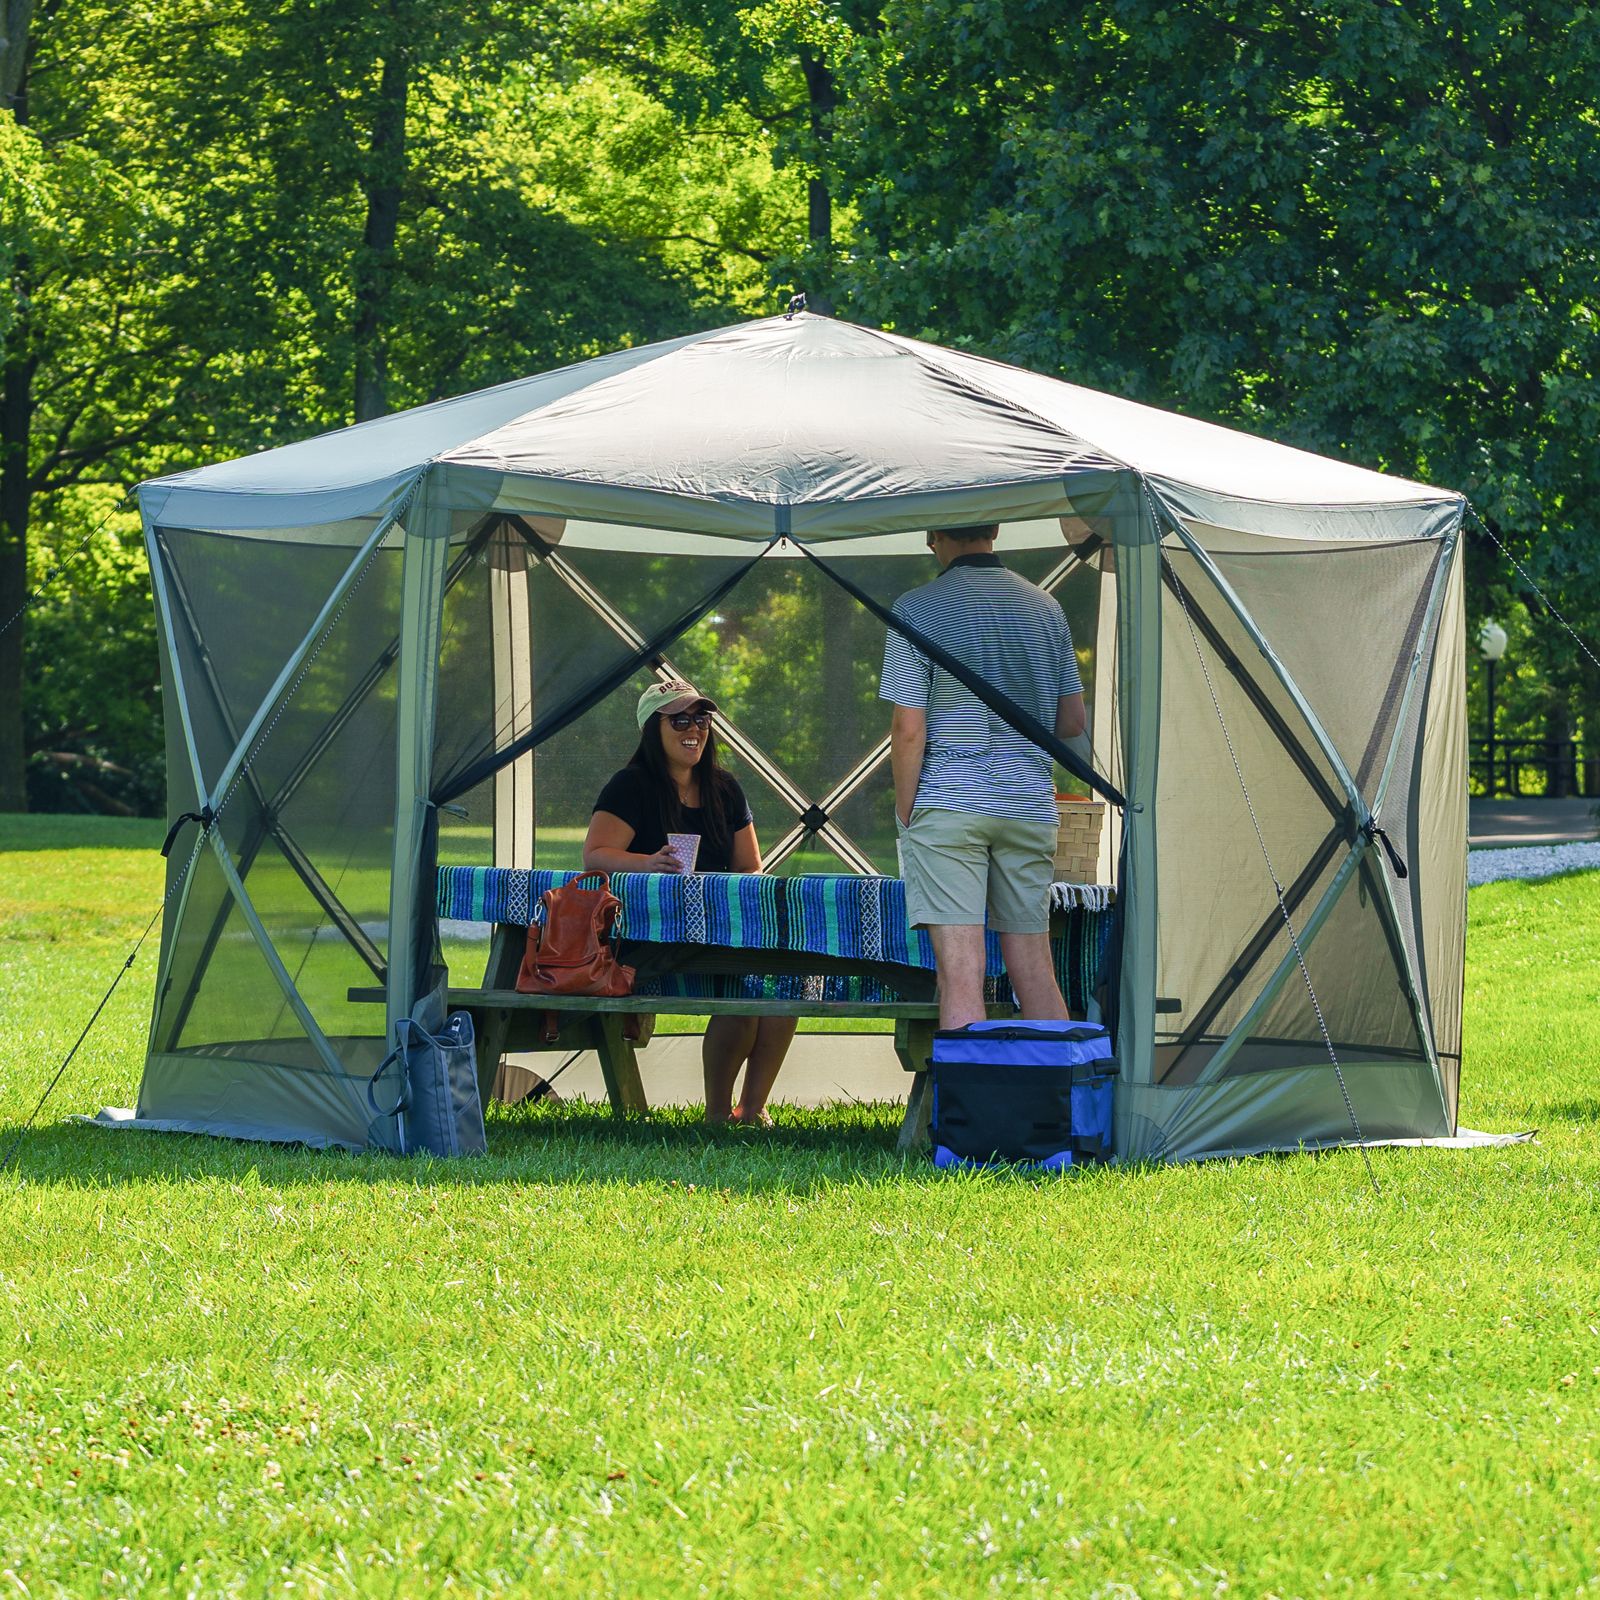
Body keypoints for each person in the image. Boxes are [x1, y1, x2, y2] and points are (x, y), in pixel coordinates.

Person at [880, 523, 1087, 1030]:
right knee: (1035, 969)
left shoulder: (917, 607)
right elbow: (1072, 722)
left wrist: (907, 812)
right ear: (995, 530)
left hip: (949, 801)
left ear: (932, 536)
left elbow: (909, 729)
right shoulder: (1045, 608)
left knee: (961, 973)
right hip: (1030, 804)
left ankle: (969, 1108)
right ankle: (1055, 1102)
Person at [582, 679, 798, 1126]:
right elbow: (596, 855)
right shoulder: (631, 785)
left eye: (701, 719)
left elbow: (749, 867)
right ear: (651, 730)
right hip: (646, 940)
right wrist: (648, 862)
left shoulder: (724, 788)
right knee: (742, 993)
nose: (694, 729)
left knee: (782, 988)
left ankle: (752, 1111)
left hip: (719, 928)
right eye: (679, 719)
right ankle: (718, 1115)